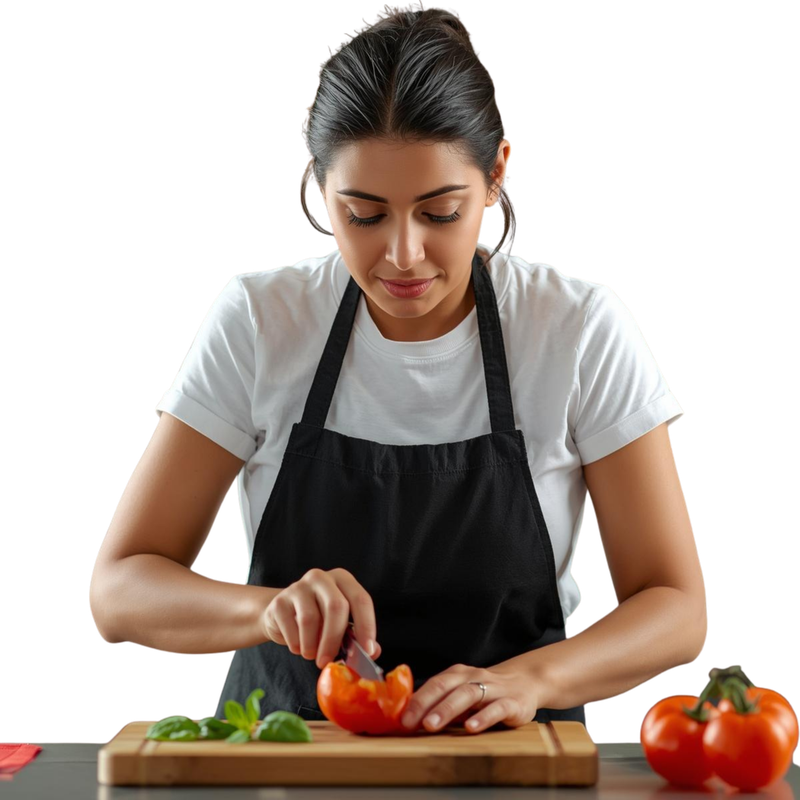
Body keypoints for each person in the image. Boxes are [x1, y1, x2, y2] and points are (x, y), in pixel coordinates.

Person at [89, 2, 706, 735]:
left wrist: (533, 677)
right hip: (286, 760)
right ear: (320, 185)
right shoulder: (260, 319)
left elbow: (674, 604)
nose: (403, 256)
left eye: (440, 212)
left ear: (497, 172)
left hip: (506, 760)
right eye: (365, 214)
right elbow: (120, 591)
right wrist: (268, 607)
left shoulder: (576, 328)